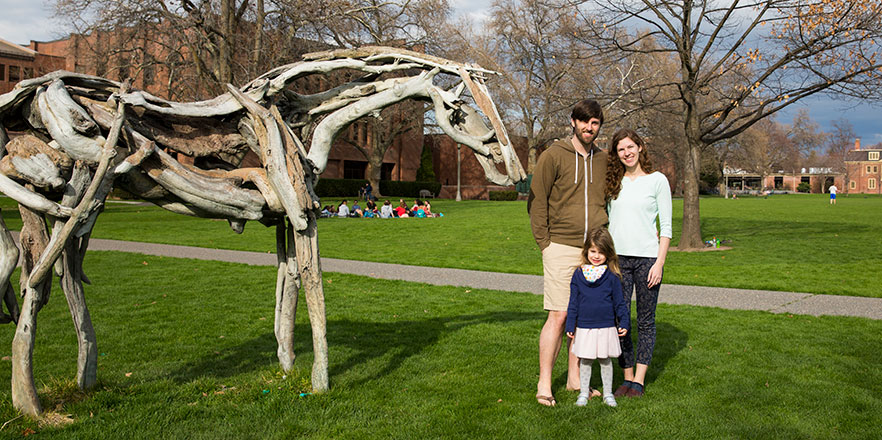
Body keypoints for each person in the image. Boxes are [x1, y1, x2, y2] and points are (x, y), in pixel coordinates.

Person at [528, 99, 609, 407]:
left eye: (596, 123)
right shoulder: (553, 155)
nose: (590, 127)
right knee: (560, 315)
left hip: (593, 250)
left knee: (584, 317)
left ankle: (575, 379)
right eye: (585, 121)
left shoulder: (604, 159)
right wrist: (544, 243)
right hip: (560, 245)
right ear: (573, 121)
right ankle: (544, 382)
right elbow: (537, 201)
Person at [605, 128, 672, 398]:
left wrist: (659, 262)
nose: (627, 153)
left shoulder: (657, 180)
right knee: (620, 320)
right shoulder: (614, 182)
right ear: (617, 154)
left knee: (645, 321)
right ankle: (627, 376)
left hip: (648, 260)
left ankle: (639, 381)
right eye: (621, 149)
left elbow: (666, 226)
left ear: (640, 147)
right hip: (618, 260)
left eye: (631, 147)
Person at [566, 228, 630, 408]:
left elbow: (619, 303)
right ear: (586, 250)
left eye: (601, 252)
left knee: (605, 360)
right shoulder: (578, 275)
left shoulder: (612, 277)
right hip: (585, 326)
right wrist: (571, 323)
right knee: (585, 360)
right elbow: (573, 303)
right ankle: (584, 394)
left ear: (608, 253)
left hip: (606, 326)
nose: (596, 255)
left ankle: (608, 394)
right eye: (593, 251)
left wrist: (624, 321)